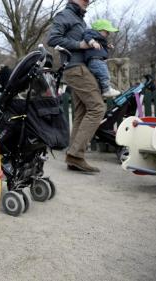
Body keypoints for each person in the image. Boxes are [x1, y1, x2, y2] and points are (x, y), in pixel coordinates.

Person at [47, 0, 106, 173]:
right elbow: (53, 38)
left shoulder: (79, 19)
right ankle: (75, 155)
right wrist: (79, 45)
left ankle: (74, 159)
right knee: (97, 108)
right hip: (75, 68)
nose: (88, 2)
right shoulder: (65, 15)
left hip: (81, 68)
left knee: (82, 112)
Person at [83, 19, 120, 98]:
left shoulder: (99, 38)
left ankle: (102, 90)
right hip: (95, 59)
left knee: (100, 76)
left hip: (97, 60)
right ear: (100, 30)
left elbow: (103, 43)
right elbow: (87, 36)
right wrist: (92, 42)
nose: (108, 34)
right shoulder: (91, 32)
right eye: (107, 32)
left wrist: (108, 46)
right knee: (104, 75)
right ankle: (106, 90)